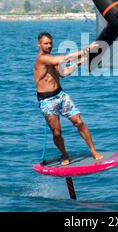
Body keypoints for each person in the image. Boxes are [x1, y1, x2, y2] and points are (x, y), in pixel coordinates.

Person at [34, 31, 103, 165]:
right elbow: (65, 59)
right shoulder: (41, 59)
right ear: (39, 44)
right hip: (47, 101)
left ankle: (93, 151)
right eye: (45, 43)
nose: (49, 46)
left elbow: (63, 73)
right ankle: (65, 155)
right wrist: (85, 51)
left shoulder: (52, 59)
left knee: (79, 122)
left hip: (61, 95)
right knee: (57, 132)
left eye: (50, 43)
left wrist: (80, 62)